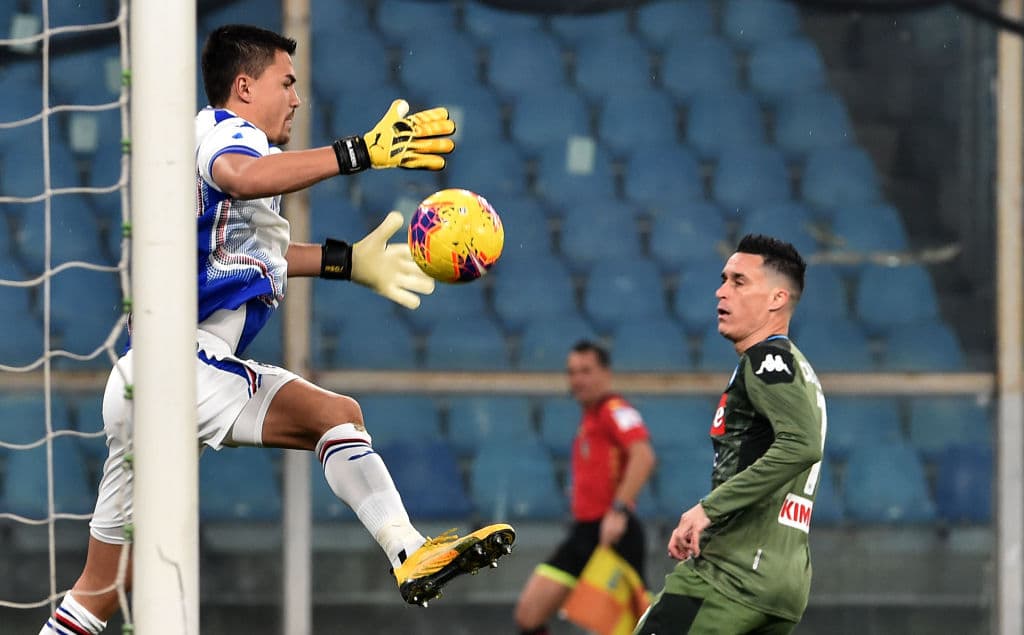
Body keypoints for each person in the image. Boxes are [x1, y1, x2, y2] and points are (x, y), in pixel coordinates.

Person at [38, 24, 515, 635]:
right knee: (334, 413)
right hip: (179, 364)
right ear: (244, 86)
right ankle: (408, 551)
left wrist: (345, 262)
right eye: (286, 83)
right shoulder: (225, 134)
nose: (296, 98)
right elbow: (240, 174)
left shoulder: (206, 146)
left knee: (102, 588)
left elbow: (245, 252)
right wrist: (358, 152)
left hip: (140, 381)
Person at [632, 234, 826, 635]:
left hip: (731, 573)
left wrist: (708, 509)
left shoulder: (767, 359)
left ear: (776, 299)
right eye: (724, 279)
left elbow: (802, 443)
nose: (721, 291)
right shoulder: (798, 368)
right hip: (781, 582)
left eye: (739, 281)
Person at [514, 340, 657, 635]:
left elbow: (643, 456)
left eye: (586, 371)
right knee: (529, 615)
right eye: (572, 372)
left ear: (605, 373)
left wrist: (617, 511)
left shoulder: (614, 410)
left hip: (614, 533)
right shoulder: (589, 418)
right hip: (585, 533)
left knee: (633, 626)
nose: (577, 379)